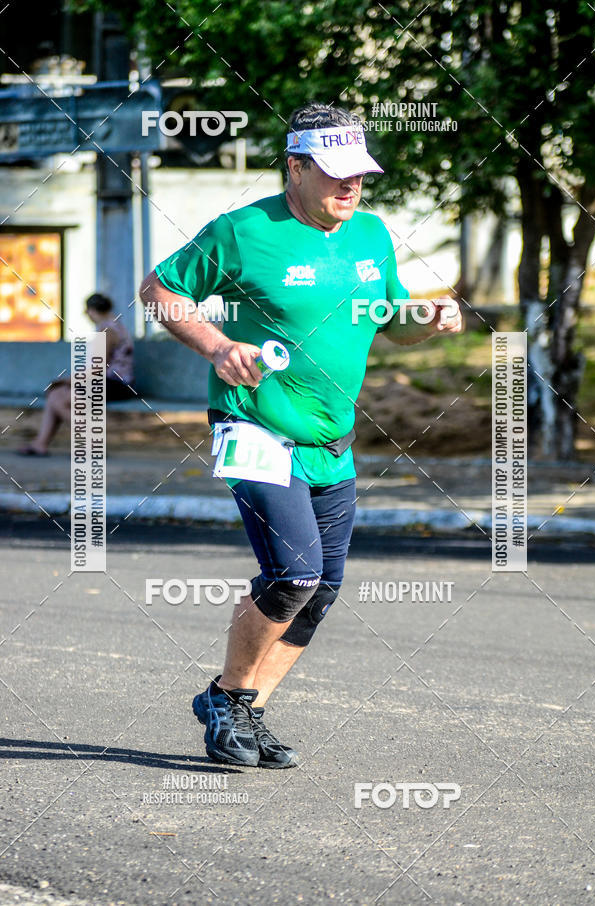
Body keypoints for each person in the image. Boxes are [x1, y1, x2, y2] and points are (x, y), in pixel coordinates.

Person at [140, 102, 462, 769]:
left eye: (360, 175)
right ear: (295, 166)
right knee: (295, 574)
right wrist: (217, 344)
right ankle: (227, 701)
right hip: (251, 424)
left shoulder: (371, 234)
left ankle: (245, 708)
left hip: (331, 441)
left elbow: (386, 316)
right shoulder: (242, 231)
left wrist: (424, 320)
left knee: (323, 589)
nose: (350, 188)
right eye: (335, 174)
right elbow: (159, 289)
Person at [18, 293, 136, 456]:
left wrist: (69, 380)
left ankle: (92, 444)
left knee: (58, 398)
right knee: (56, 395)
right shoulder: (115, 326)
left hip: (116, 385)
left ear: (92, 311)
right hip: (109, 383)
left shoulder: (108, 330)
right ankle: (41, 444)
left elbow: (98, 367)